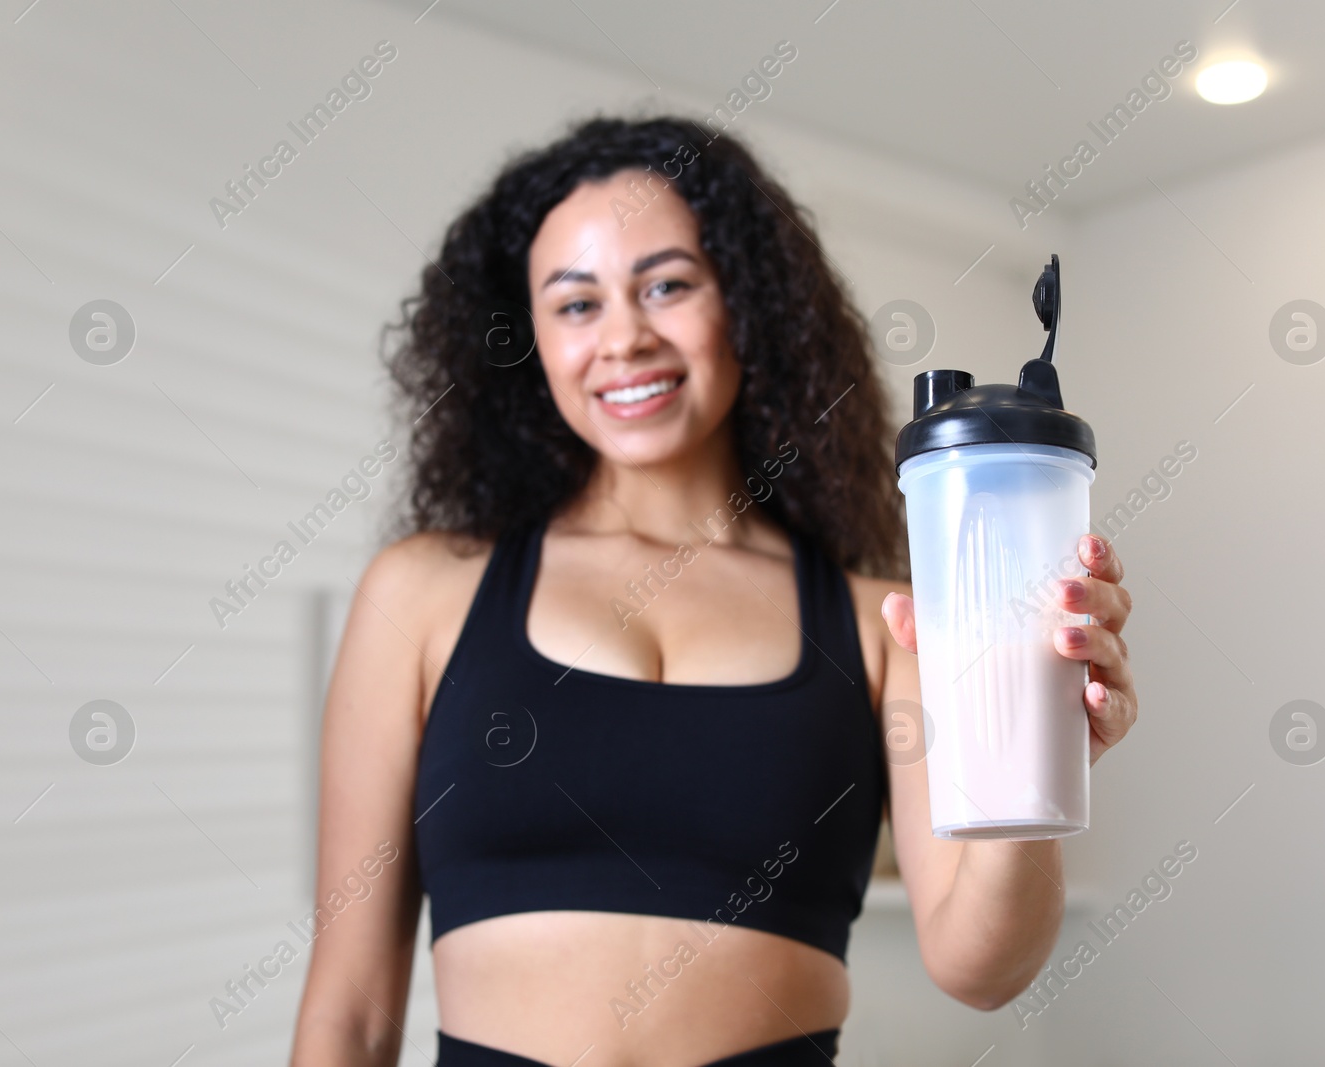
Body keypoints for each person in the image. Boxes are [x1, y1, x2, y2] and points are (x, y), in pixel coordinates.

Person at [289, 115, 1137, 1067]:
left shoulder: (879, 622)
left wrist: (1033, 735)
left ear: (747, 301)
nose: (624, 336)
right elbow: (348, 1019)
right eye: (576, 304)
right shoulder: (423, 594)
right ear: (525, 338)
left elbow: (982, 967)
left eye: (667, 284)